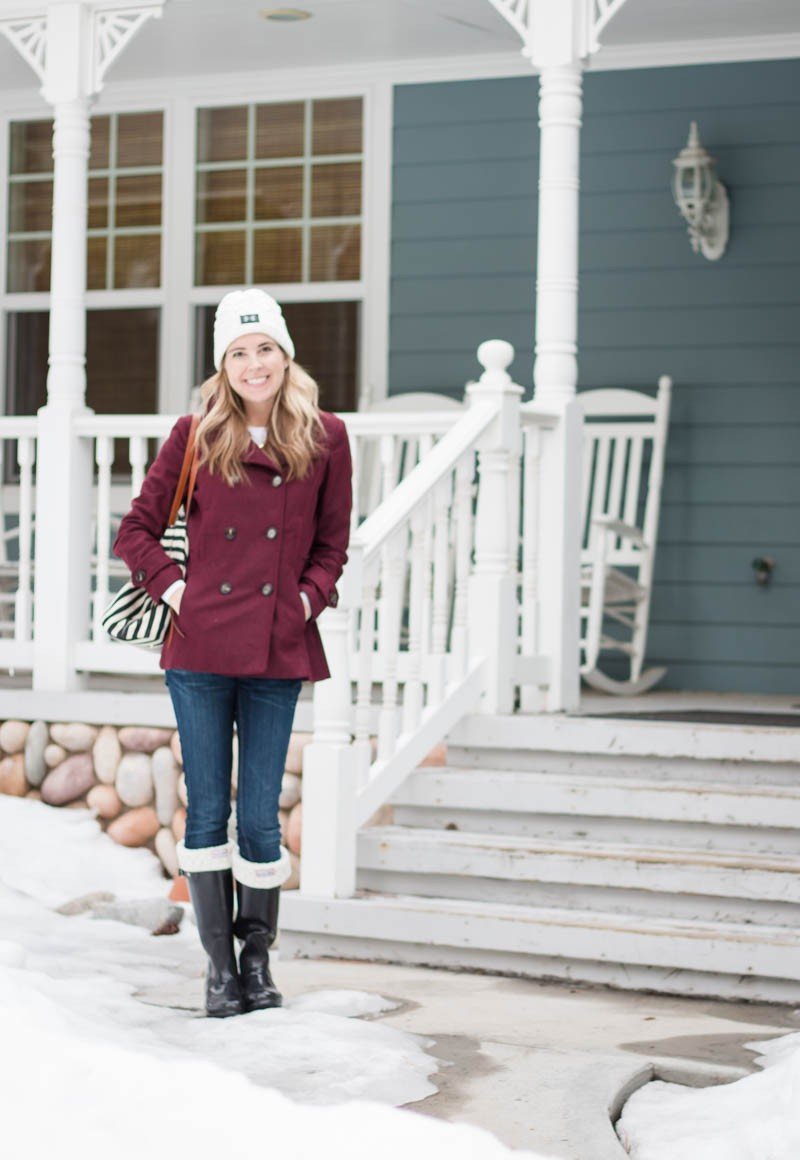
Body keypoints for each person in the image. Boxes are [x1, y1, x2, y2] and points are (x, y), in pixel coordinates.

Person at [113, 289, 352, 1018]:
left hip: (279, 645)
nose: (255, 364)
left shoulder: (326, 435)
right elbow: (136, 532)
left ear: (286, 356)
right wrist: (179, 593)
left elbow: (331, 545)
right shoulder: (194, 434)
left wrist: (304, 601)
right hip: (200, 647)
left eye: (266, 349)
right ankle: (219, 971)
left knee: (260, 819)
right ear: (224, 364)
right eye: (240, 352)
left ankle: (259, 963)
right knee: (208, 806)